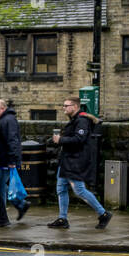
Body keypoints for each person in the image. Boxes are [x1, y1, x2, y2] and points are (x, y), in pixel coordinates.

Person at [48, 97, 111, 229]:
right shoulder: (75, 120)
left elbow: (79, 139)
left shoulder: (82, 121)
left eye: (66, 105)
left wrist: (61, 140)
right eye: (63, 105)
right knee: (61, 189)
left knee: (79, 190)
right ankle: (62, 219)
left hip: (75, 161)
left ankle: (103, 213)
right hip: (67, 160)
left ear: (75, 106)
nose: (64, 108)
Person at [0, 99, 27, 226]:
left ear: (2, 109)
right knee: (1, 187)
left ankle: (0, 216)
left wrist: (12, 160)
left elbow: (13, 141)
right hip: (1, 159)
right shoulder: (2, 119)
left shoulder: (8, 120)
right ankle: (20, 205)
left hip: (5, 160)